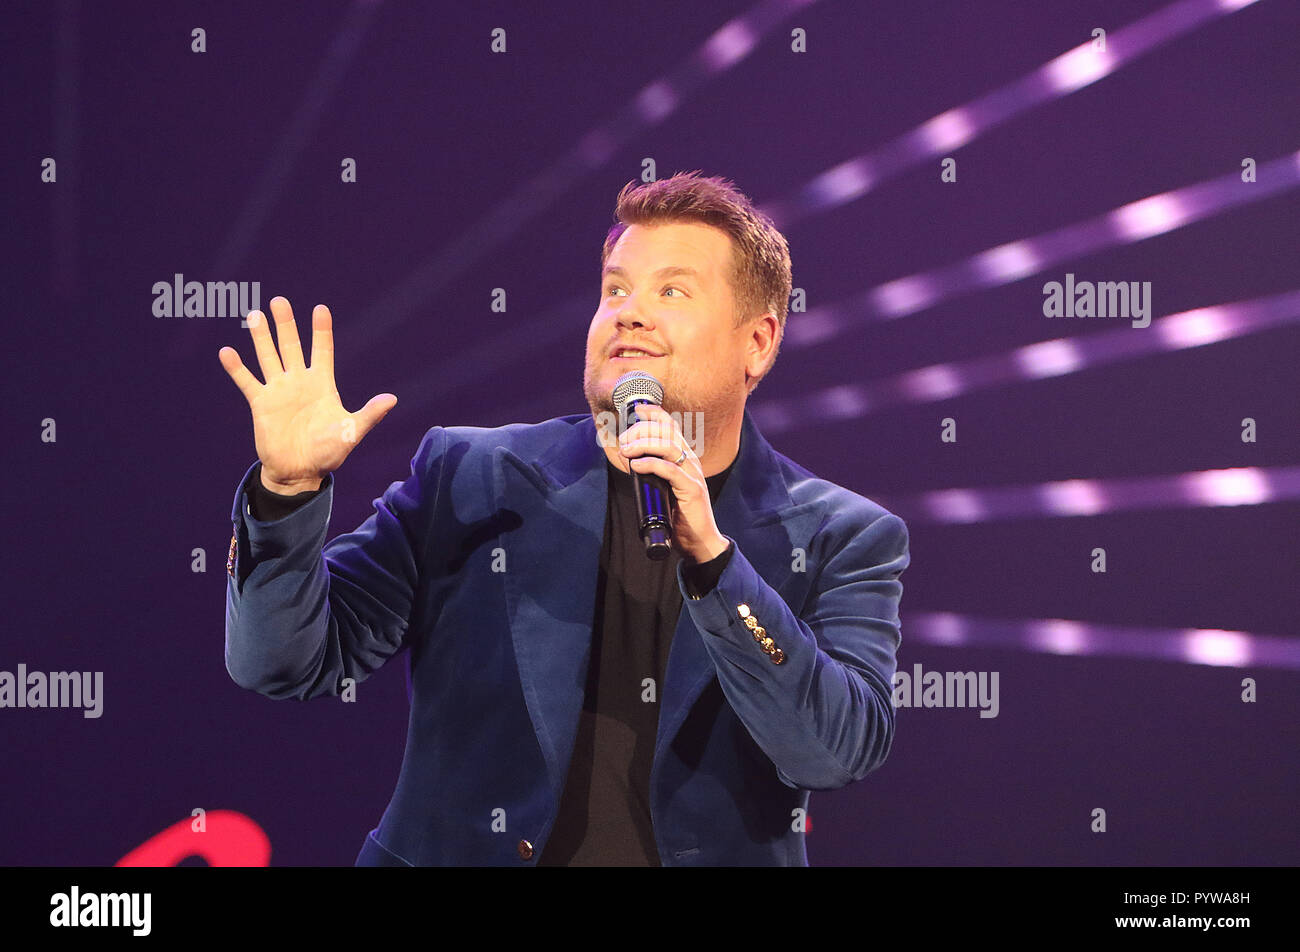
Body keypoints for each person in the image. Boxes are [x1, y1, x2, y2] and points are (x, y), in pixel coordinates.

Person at [218, 171, 910, 866]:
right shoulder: (471, 477)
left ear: (758, 342)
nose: (630, 313)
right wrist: (288, 489)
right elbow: (281, 664)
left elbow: (834, 751)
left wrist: (714, 562)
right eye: (615, 288)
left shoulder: (840, 536)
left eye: (671, 291)